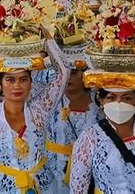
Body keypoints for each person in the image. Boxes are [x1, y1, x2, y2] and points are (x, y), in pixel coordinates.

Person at [0, 27, 71, 193]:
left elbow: (64, 72)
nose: (17, 86)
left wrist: (48, 41)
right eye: (10, 80)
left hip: (42, 188)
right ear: (0, 83)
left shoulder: (39, 110)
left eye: (23, 79)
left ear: (30, 83)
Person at [70, 86, 135, 193]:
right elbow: (78, 189)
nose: (119, 103)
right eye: (111, 98)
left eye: (127, 98)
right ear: (101, 102)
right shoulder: (89, 138)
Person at [45, 65, 102, 193]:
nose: (68, 77)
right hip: (54, 169)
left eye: (74, 73)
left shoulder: (99, 101)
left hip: (88, 170)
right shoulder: (50, 99)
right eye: (64, 73)